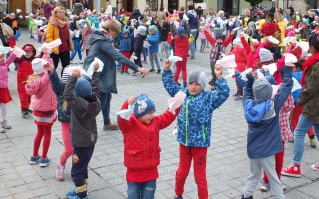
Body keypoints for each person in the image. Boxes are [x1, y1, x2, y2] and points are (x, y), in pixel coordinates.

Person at [162, 60, 230, 199]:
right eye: (191, 83)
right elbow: (170, 86)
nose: (193, 87)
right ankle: (178, 194)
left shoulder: (208, 98)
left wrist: (219, 77)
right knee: (181, 172)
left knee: (200, 177)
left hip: (200, 144)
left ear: (203, 85)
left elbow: (223, 94)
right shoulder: (182, 94)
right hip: (184, 142)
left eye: (197, 84)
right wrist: (167, 70)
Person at [282, 33, 319, 178]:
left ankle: (295, 166)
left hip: (315, 102)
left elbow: (310, 88)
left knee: (299, 132)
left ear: (312, 48)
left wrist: (298, 103)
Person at [83, 19, 149, 131]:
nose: (116, 35)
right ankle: (84, 123)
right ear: (109, 30)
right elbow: (118, 56)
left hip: (100, 72)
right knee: (102, 101)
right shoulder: (102, 42)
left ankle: (107, 123)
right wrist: (137, 67)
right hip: (98, 74)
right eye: (115, 32)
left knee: (107, 98)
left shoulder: (102, 38)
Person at [241, 66, 293, 199]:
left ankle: (246, 195)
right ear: (270, 93)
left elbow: (247, 93)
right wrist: (287, 73)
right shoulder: (273, 107)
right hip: (267, 150)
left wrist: (249, 81)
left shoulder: (248, 105)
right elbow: (285, 89)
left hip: (253, 149)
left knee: (254, 174)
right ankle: (279, 196)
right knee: (273, 176)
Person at [118, 93, 180, 199]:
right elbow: (122, 118)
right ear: (139, 113)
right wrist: (126, 104)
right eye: (149, 113)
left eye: (153, 112)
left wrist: (177, 105)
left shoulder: (155, 122)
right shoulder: (129, 124)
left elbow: (167, 117)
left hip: (150, 173)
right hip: (134, 173)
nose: (152, 116)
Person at [64, 66, 101, 199]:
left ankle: (81, 194)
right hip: (90, 141)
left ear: (76, 92)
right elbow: (96, 88)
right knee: (82, 166)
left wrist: (73, 77)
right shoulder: (96, 100)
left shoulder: (78, 103)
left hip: (80, 143)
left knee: (76, 171)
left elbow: (67, 94)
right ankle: (81, 189)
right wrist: (95, 73)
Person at [25, 57, 57, 167]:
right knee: (47, 133)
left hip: (38, 110)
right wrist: (48, 56)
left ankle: (34, 156)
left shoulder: (33, 79)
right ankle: (44, 158)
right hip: (47, 109)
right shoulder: (44, 78)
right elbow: (50, 68)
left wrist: (45, 54)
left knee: (39, 132)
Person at [46, 64, 73, 181]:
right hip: (66, 124)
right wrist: (52, 71)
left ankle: (77, 169)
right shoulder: (61, 89)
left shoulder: (80, 89)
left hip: (79, 125)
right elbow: (55, 82)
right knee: (69, 150)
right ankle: (60, 165)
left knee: (79, 151)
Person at [46, 6, 74, 71]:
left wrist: (71, 45)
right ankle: (52, 81)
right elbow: (49, 37)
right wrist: (54, 49)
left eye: (63, 12)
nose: (62, 14)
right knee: (53, 68)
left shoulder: (65, 22)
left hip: (65, 48)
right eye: (60, 12)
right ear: (55, 14)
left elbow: (68, 35)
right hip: (55, 49)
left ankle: (64, 81)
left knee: (66, 68)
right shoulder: (52, 23)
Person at [14, 44, 37, 115]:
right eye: (26, 52)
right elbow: (14, 59)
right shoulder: (20, 59)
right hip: (21, 81)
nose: (27, 54)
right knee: (23, 95)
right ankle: (23, 108)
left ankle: (26, 107)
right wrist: (14, 52)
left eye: (30, 52)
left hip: (30, 80)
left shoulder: (34, 59)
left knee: (29, 95)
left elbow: (42, 58)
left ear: (33, 53)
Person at [0, 49, 17, 132]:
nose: (2, 58)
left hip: (3, 88)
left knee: (4, 105)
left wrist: (14, 53)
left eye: (3, 56)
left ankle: (3, 120)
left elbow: (10, 59)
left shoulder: (5, 64)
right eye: (0, 57)